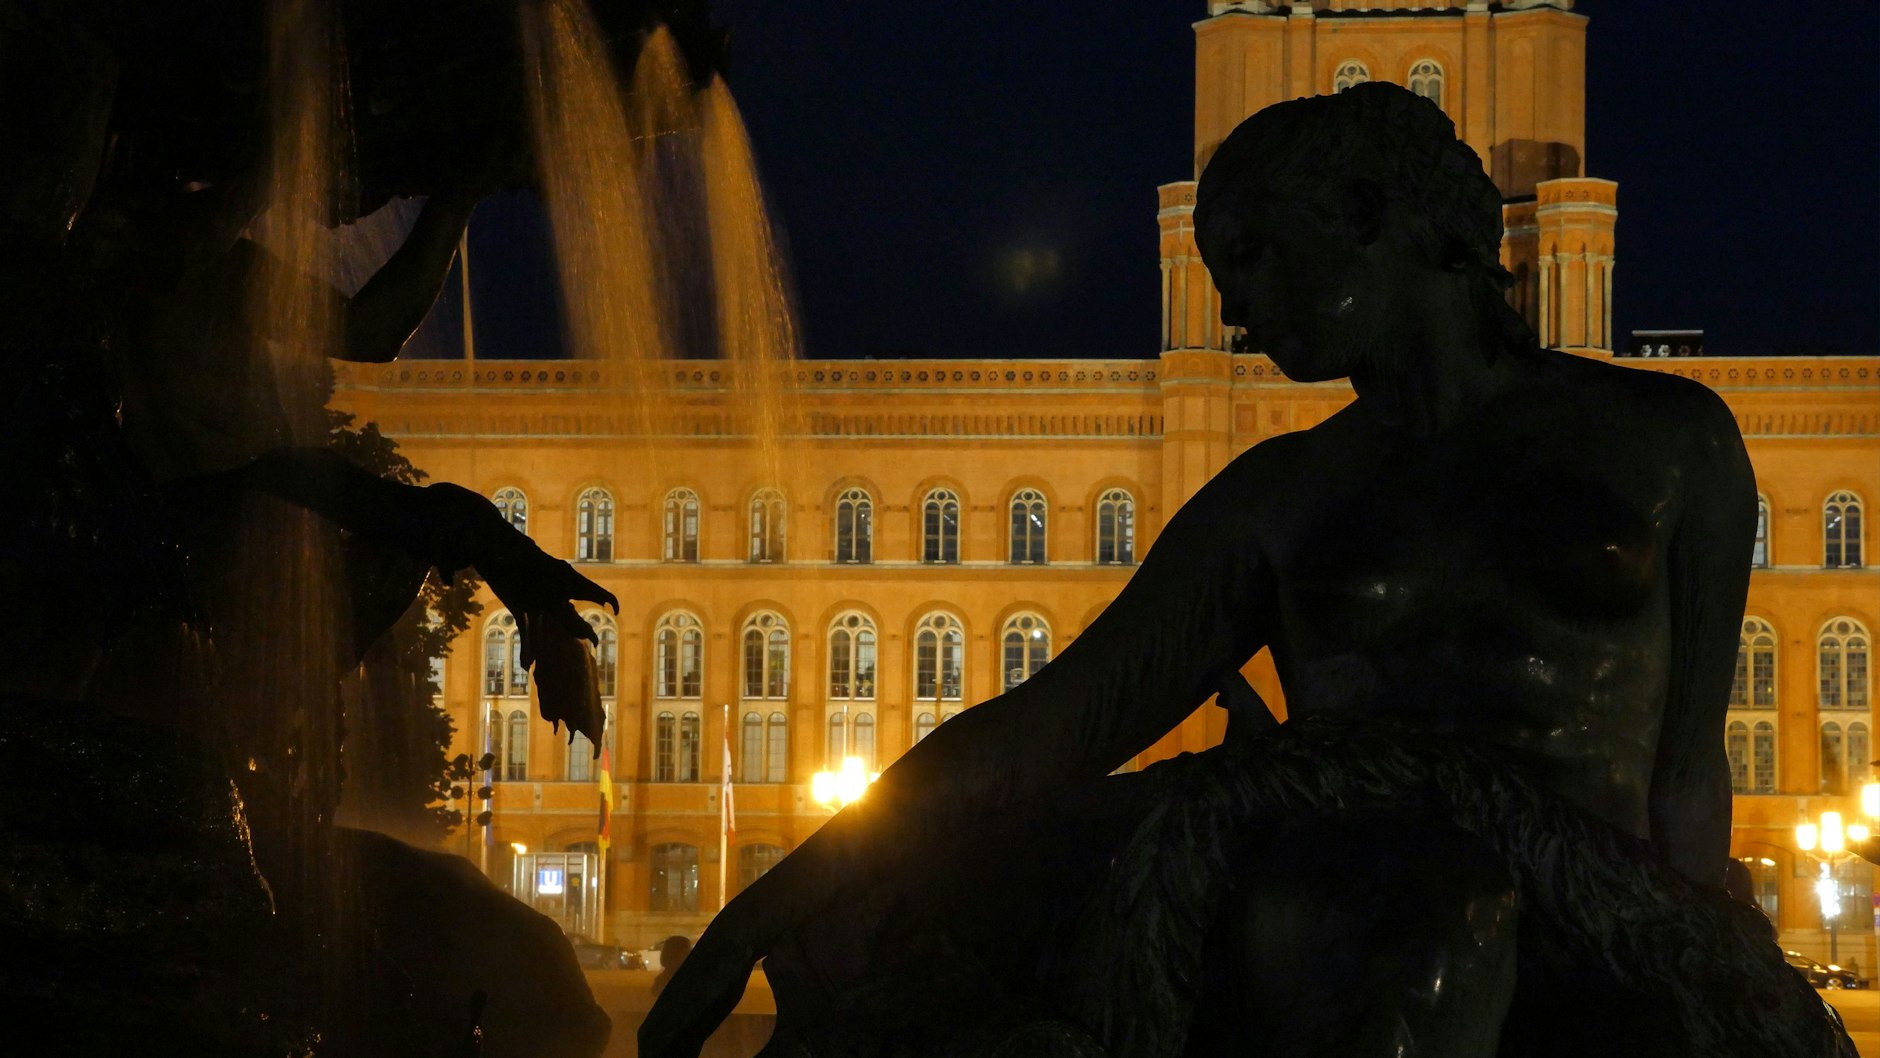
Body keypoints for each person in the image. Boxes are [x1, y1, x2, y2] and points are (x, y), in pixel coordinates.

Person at [643, 84, 1850, 1057]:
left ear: (1370, 215)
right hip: (1335, 889)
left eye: (1258, 257)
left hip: (1583, 896)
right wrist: (760, 907)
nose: (1232, 309)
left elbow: (1688, 772)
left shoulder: (1671, 440)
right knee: (1416, 914)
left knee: (1457, 917)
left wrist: (1712, 962)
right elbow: (1051, 724)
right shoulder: (1280, 495)